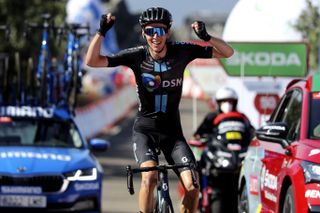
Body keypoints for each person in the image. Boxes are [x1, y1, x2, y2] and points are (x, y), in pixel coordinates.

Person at [85, 7, 234, 213]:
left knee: (192, 187)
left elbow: (228, 52)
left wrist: (206, 37)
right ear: (143, 33)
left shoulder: (182, 51)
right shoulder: (136, 56)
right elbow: (92, 61)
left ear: (168, 33)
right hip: (145, 131)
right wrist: (101, 32)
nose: (155, 37)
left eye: (160, 31)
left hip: (173, 134)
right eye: (150, 31)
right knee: (149, 177)